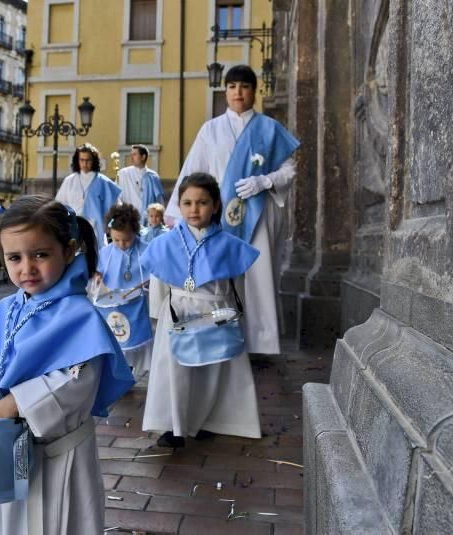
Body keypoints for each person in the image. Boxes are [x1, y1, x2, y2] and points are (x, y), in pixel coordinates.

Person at [0, 195, 134, 535]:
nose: (26, 268)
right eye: (14, 257)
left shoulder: (80, 316)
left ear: (69, 250)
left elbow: (78, 383)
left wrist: (20, 402)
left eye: (40, 255)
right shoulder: (5, 309)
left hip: (57, 459)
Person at [166, 65, 300, 356]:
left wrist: (264, 180)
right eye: (232, 86)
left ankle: (261, 343)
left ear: (254, 90)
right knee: (222, 277)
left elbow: (289, 169)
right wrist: (179, 213)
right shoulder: (210, 130)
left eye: (245, 86)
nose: (238, 92)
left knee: (259, 275)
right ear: (225, 91)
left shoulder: (269, 128)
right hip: (218, 215)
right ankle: (224, 335)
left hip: (259, 213)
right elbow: (192, 171)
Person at [142, 173, 261, 448]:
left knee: (214, 370)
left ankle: (209, 418)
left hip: (217, 312)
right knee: (176, 372)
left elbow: (237, 285)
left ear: (216, 205)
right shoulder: (165, 244)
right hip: (178, 314)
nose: (194, 209)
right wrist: (159, 315)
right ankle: (174, 425)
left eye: (202, 202)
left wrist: (237, 314)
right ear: (179, 206)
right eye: (187, 203)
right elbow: (160, 282)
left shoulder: (230, 245)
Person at [95, 203, 153, 379]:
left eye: (126, 240)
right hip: (114, 305)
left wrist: (152, 281)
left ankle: (142, 368)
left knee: (141, 336)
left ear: (135, 232)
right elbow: (98, 270)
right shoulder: (105, 253)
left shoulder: (147, 249)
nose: (121, 244)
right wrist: (97, 276)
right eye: (116, 240)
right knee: (118, 339)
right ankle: (122, 372)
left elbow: (156, 271)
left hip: (140, 303)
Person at [56, 143, 121, 247]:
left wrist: (110, 226)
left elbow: (116, 207)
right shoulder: (70, 181)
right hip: (74, 227)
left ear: (94, 161)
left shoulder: (103, 182)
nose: (85, 163)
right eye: (82, 160)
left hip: (97, 229)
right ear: (77, 161)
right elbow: (60, 205)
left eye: (88, 160)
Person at [118, 144, 165, 228]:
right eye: (131, 154)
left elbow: (159, 200)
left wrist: (161, 217)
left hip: (148, 220)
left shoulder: (152, 176)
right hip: (129, 218)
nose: (131, 157)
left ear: (143, 157)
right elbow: (117, 196)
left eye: (134, 154)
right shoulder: (124, 174)